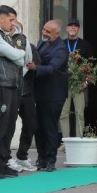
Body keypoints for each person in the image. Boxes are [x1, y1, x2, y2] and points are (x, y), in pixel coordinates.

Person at [0, 5, 30, 179]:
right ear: (1, 18)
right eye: (11, 20)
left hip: (11, 84)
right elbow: (17, 55)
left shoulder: (5, 36)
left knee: (8, 126)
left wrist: (11, 54)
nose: (13, 24)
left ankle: (2, 162)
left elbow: (23, 58)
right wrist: (12, 54)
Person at [33, 19, 68, 171]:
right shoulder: (43, 42)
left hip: (54, 95)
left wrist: (35, 68)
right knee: (38, 127)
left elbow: (51, 69)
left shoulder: (61, 49)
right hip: (40, 93)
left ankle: (50, 160)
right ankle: (41, 158)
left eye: (48, 31)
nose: (44, 33)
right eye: (44, 29)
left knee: (49, 127)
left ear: (57, 33)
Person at [10, 20, 39, 172]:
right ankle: (6, 157)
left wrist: (33, 66)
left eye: (16, 28)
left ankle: (22, 156)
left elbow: (37, 66)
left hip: (27, 92)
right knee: (8, 125)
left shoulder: (30, 46)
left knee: (30, 124)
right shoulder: (4, 44)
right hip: (11, 91)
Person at [60, 18, 94, 138]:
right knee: (63, 113)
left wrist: (86, 82)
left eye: (75, 26)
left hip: (80, 83)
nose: (73, 28)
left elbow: (90, 66)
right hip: (64, 83)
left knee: (80, 113)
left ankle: (79, 139)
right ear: (67, 28)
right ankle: (65, 141)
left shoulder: (85, 44)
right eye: (70, 26)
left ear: (78, 29)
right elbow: (57, 63)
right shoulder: (61, 44)